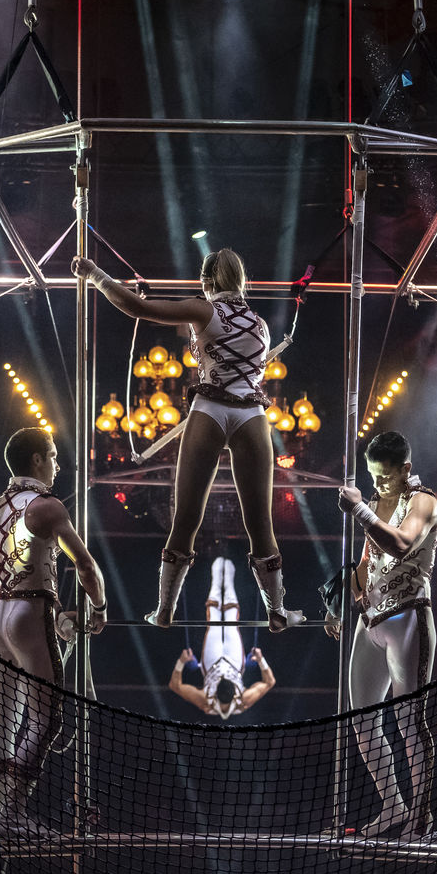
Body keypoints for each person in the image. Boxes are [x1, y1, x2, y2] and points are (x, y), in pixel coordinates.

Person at [72, 249, 303, 631]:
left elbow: (136, 307)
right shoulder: (260, 324)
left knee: (186, 518)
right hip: (251, 415)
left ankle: (164, 610)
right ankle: (277, 612)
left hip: (210, 409)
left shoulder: (204, 309)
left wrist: (95, 273)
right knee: (260, 524)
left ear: (208, 280)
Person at [0, 427, 107, 836]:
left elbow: (23, 564)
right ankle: (13, 813)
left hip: (2, 615)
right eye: (52, 456)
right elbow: (85, 565)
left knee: (5, 715)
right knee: (46, 718)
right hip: (30, 614)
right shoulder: (46, 507)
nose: (57, 464)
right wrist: (100, 606)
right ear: (37, 459)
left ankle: (5, 811)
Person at [332, 431, 437, 838]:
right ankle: (393, 805)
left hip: (408, 617)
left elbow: (400, 544)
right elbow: (368, 560)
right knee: (361, 721)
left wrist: (360, 510)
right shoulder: (376, 502)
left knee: (409, 721)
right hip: (371, 620)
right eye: (372, 475)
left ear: (405, 469)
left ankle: (421, 814)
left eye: (385, 475)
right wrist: (340, 602)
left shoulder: (423, 502)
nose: (377, 483)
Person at [167, 558, 276, 719]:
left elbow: (174, 686)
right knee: (232, 622)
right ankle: (228, 581)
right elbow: (269, 682)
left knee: (213, 623)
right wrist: (261, 660)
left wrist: (181, 662)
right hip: (235, 665)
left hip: (212, 665)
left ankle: (217, 579)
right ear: (235, 694)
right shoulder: (243, 701)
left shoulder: (206, 702)